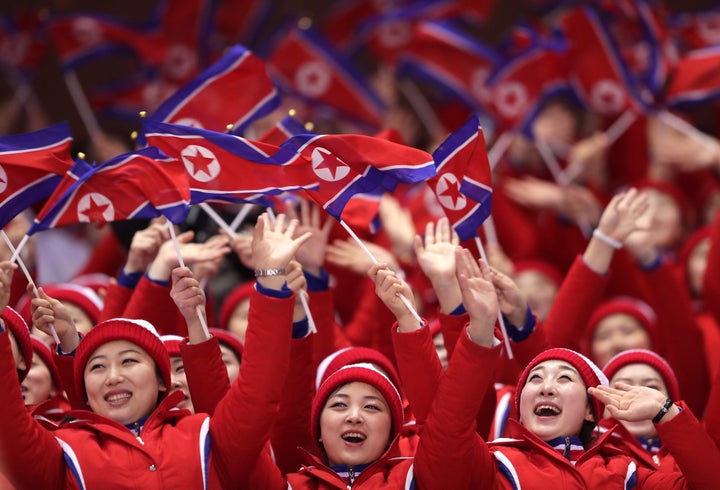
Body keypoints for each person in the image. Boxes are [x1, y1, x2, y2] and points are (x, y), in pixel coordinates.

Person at [0, 212, 313, 489]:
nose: (113, 377)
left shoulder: (207, 438)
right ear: (83, 390)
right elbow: (8, 419)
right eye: (97, 367)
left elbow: (259, 389)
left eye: (129, 361)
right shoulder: (62, 453)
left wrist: (270, 278)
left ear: (164, 381)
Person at [412, 247, 720, 489]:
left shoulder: (625, 475)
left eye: (564, 378)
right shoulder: (493, 467)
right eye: (534, 379)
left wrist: (666, 412)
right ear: (520, 406)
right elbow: (446, 436)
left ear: (591, 411)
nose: (547, 387)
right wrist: (479, 331)